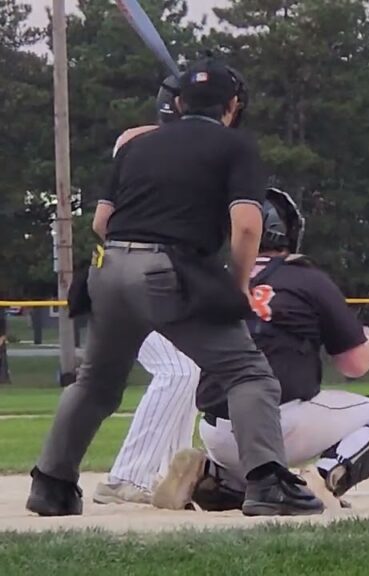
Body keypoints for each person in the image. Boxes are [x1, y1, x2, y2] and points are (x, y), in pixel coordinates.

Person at [27, 57, 324, 517]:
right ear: (233, 106)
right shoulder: (235, 146)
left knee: (96, 384)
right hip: (168, 271)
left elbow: (101, 223)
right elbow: (247, 227)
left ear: (180, 103)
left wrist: (136, 255)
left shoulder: (136, 147)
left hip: (106, 271)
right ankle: (267, 483)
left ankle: (51, 484)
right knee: (249, 374)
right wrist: (235, 286)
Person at [151, 188, 369, 512]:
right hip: (281, 423)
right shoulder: (305, 278)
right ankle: (323, 479)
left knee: (263, 476)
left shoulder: (216, 280)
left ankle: (208, 472)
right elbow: (353, 366)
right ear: (290, 231)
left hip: (216, 428)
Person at [92, 75, 202, 506]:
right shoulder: (138, 145)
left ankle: (168, 475)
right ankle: (126, 477)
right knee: (177, 370)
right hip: (133, 282)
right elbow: (131, 138)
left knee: (190, 368)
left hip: (160, 286)